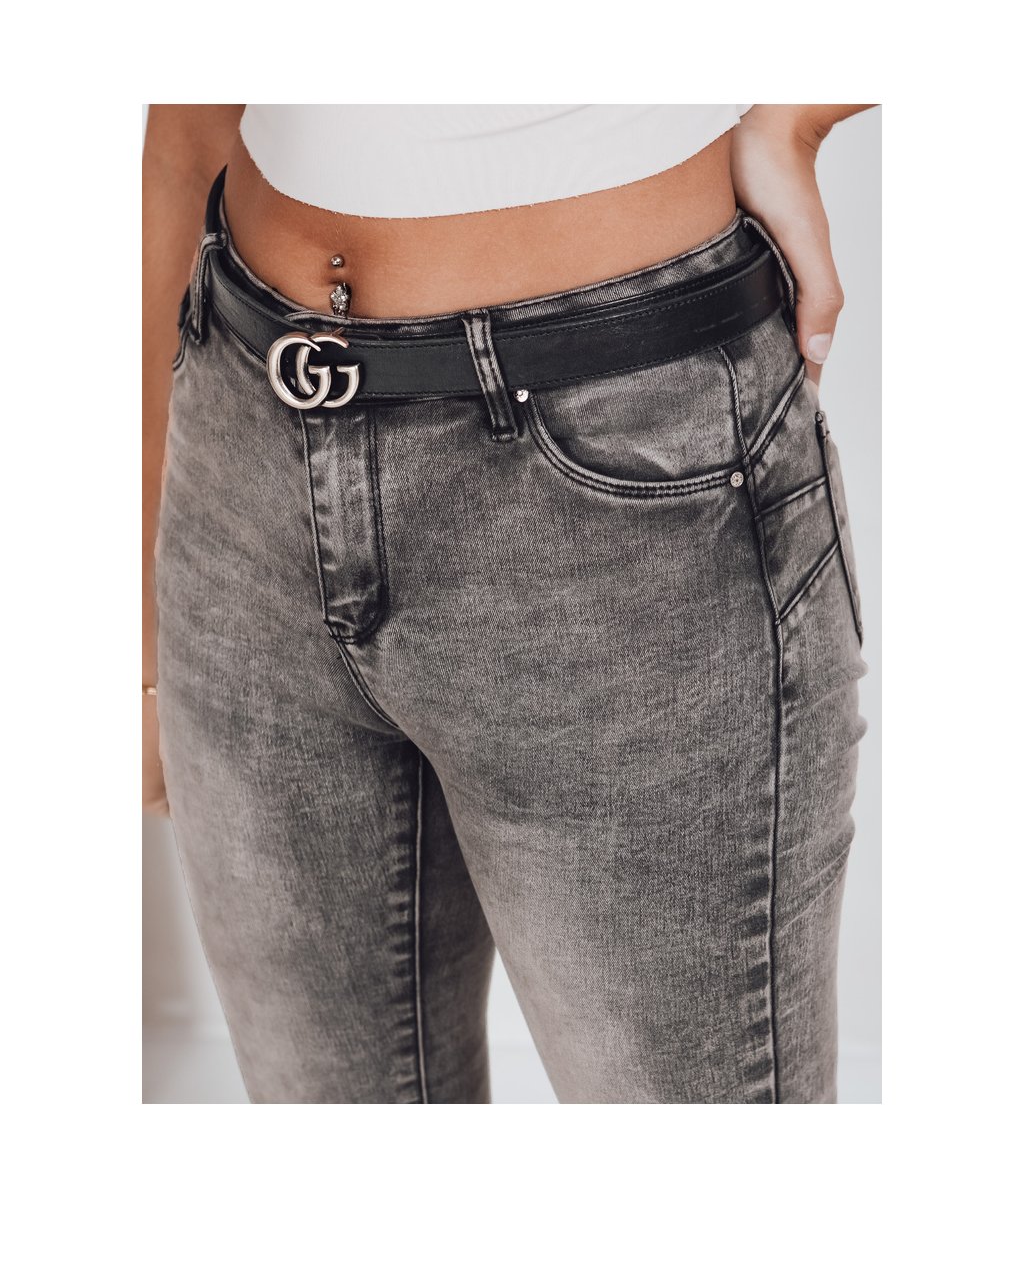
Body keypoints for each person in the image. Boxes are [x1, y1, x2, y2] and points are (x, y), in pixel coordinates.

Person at [143, 104, 875, 1103]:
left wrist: (797, 117)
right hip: (241, 446)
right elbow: (181, 138)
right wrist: (141, 630)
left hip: (618, 468)